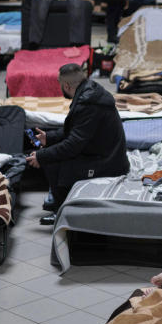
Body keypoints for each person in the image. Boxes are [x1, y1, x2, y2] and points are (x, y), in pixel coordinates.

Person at [27, 63, 129, 225]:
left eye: (61, 85)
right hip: (102, 152)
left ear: (66, 85)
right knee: (51, 153)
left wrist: (41, 156)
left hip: (109, 163)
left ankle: (62, 211)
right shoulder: (89, 91)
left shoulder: (87, 103)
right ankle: (59, 201)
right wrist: (50, 137)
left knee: (53, 162)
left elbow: (73, 145)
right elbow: (76, 131)